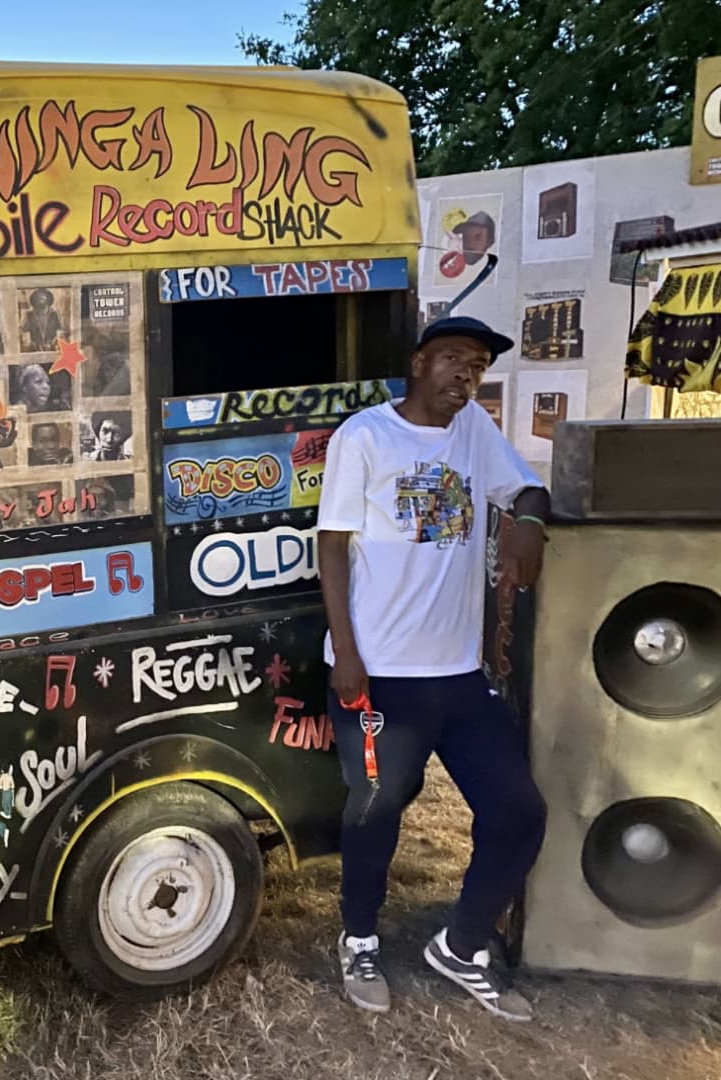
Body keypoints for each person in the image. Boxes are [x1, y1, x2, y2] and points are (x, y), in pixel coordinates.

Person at [316, 315, 549, 1022]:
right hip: (381, 668)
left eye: (477, 367)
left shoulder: (475, 428)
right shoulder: (366, 435)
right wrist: (348, 654)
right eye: (454, 360)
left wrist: (531, 524)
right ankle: (358, 938)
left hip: (457, 673)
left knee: (517, 811)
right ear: (419, 363)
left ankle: (461, 944)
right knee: (377, 807)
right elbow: (331, 547)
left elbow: (525, 490)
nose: (465, 376)